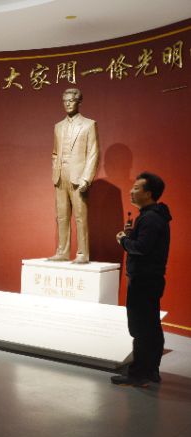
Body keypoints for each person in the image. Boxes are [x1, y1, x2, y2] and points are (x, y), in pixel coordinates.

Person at [112, 172, 171, 387]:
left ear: (148, 193)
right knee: (151, 326)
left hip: (143, 280)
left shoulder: (150, 218)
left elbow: (142, 248)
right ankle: (151, 371)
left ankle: (138, 374)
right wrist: (132, 235)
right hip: (150, 280)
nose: (131, 191)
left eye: (136, 188)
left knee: (140, 329)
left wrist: (124, 240)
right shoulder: (153, 216)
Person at [48, 88, 100, 264]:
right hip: (60, 176)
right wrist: (55, 170)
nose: (68, 104)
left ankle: (82, 253)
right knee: (61, 216)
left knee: (80, 217)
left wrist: (87, 178)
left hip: (78, 177)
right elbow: (55, 153)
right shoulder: (58, 126)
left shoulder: (89, 124)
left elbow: (93, 152)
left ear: (79, 102)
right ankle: (62, 251)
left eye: (71, 100)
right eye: (65, 101)